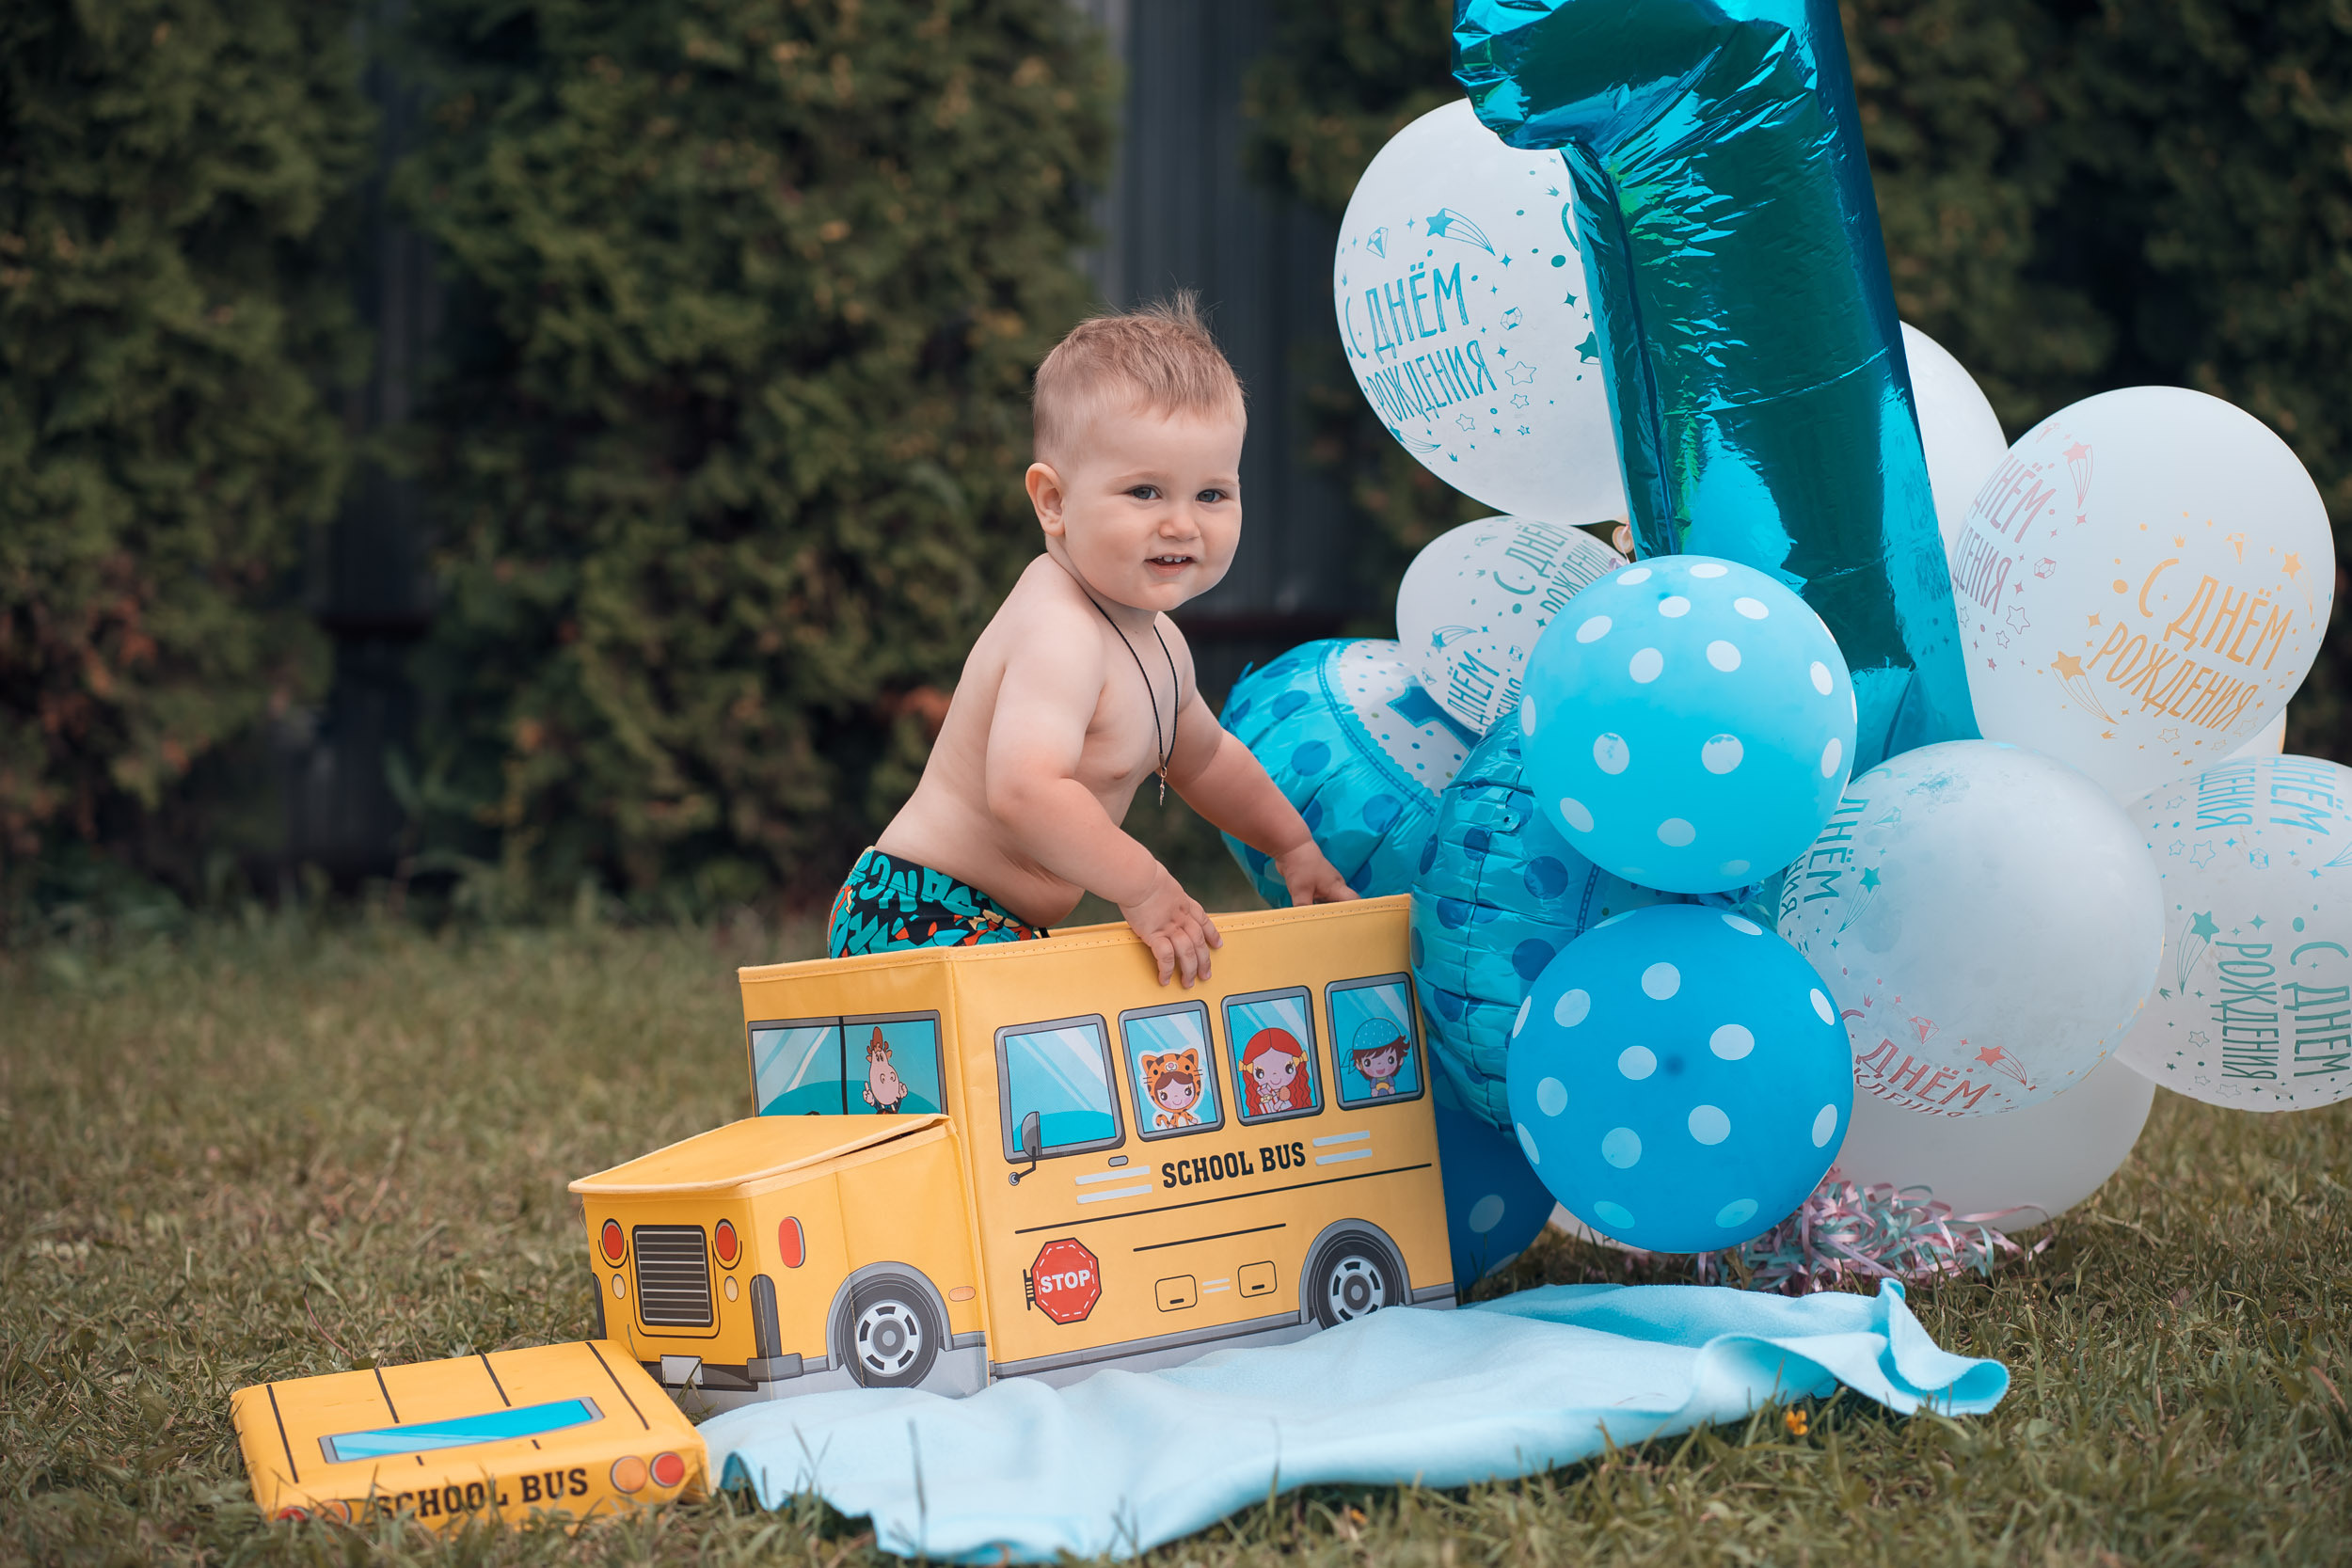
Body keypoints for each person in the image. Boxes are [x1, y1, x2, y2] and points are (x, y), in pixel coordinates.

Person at [827, 293, 1354, 983]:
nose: (1182, 524)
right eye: (1144, 492)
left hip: (995, 923)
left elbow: (1206, 761)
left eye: (1211, 494)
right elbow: (1024, 790)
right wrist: (1145, 884)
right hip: (918, 911)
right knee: (1032, 1044)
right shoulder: (1059, 629)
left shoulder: (1162, 645)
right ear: (1053, 502)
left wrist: (1292, 845)